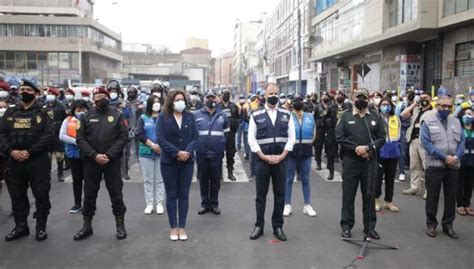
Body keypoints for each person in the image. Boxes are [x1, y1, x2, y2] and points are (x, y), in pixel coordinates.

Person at [0, 79, 54, 241]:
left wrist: (30, 152)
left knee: (41, 194)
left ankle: (40, 227)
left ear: (36, 94)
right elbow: (1, 134)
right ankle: (21, 226)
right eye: (22, 89)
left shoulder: (44, 114)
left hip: (37, 161)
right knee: (17, 195)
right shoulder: (10, 112)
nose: (24, 92)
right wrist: (11, 151)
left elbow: (49, 136)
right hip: (15, 161)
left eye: (28, 90)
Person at [74, 86, 129, 241]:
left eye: (103, 95)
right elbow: (80, 139)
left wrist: (109, 155)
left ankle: (120, 225)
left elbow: (123, 137)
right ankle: (87, 226)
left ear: (107, 97)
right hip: (92, 162)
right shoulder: (85, 116)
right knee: (90, 194)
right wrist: (94, 155)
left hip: (111, 162)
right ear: (93, 98)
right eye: (97, 95)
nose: (100, 97)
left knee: (116, 194)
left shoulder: (117, 115)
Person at [336, 88, 386, 240]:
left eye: (364, 98)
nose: (361, 100)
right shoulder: (345, 117)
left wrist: (368, 148)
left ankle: (369, 228)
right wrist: (355, 148)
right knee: (348, 196)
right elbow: (339, 137)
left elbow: (382, 137)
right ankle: (346, 226)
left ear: (368, 99)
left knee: (369, 196)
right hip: (351, 162)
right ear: (353, 98)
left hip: (369, 162)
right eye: (359, 97)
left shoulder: (375, 117)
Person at [248, 83, 295, 242]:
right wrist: (263, 156)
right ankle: (259, 225)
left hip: (281, 161)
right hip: (262, 161)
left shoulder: (286, 114)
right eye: (270, 93)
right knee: (260, 196)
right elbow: (251, 140)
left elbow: (292, 138)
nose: (273, 96)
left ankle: (278, 226)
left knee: (280, 195)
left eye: (276, 93)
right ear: (264, 96)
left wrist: (282, 156)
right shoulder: (256, 114)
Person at [420, 88, 464, 239]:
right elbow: (426, 143)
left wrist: (456, 158)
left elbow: (462, 142)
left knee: (451, 197)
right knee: (432, 197)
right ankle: (431, 224)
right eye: (443, 106)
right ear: (437, 106)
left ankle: (448, 224)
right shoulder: (428, 121)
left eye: (449, 107)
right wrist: (445, 157)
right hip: (434, 165)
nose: (446, 109)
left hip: (453, 166)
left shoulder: (457, 122)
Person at [157, 89, 199, 241]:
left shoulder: (190, 116)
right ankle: (173, 228)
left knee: (184, 195)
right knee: (171, 195)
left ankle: (182, 226)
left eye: (182, 99)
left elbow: (195, 137)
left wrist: (186, 152)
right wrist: (177, 153)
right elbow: (161, 139)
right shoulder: (163, 117)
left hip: (187, 161)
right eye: (176, 99)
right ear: (170, 101)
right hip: (169, 162)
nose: (180, 102)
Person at [195, 90, 229, 215]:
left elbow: (227, 134)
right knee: (203, 179)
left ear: (217, 99)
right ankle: (205, 204)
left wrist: (224, 147)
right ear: (204, 99)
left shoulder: (222, 115)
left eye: (213, 98)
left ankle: (214, 204)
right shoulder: (196, 115)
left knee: (215, 180)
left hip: (217, 153)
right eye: (208, 98)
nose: (211, 100)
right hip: (201, 153)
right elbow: (193, 134)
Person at [283, 95, 317, 217]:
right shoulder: (287, 117)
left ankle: (307, 205)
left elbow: (314, 134)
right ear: (292, 104)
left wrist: (306, 145)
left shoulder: (309, 116)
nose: (298, 103)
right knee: (288, 179)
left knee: (306, 179)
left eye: (300, 101)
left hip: (306, 152)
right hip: (291, 152)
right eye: (296, 101)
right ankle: (287, 204)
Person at [59, 99, 89, 214]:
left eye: (83, 109)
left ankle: (88, 204)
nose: (81, 111)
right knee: (77, 180)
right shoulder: (68, 120)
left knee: (89, 181)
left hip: (88, 154)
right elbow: (62, 136)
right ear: (74, 110)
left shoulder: (90, 120)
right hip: (74, 154)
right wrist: (77, 141)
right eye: (78, 109)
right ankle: (77, 203)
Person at [401, 91, 433, 198]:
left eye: (426, 97)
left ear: (430, 99)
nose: (423, 99)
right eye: (422, 97)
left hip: (426, 142)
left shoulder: (434, 111)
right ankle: (414, 187)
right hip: (413, 140)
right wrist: (414, 104)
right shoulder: (416, 109)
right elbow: (403, 115)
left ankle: (429, 191)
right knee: (414, 165)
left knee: (427, 166)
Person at [137, 95, 164, 215]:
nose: (156, 104)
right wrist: (153, 145)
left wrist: (161, 147)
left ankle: (159, 203)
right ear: (149, 104)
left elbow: (168, 133)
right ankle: (149, 203)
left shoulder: (164, 117)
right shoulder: (143, 118)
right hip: (146, 152)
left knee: (160, 180)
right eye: (154, 102)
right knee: (148, 180)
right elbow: (140, 134)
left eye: (158, 102)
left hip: (161, 152)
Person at [375, 98, 401, 212]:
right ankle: (376, 200)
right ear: (379, 106)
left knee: (390, 178)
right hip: (381, 149)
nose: (386, 106)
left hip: (393, 150)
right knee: (378, 177)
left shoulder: (395, 118)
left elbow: (399, 133)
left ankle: (388, 201)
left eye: (388, 104)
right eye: (383, 104)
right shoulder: (376, 118)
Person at [43, 87, 67, 182]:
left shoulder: (61, 107)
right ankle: (47, 174)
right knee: (47, 156)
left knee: (59, 156)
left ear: (56, 96)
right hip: (47, 135)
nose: (49, 95)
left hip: (57, 134)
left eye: (51, 94)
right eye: (48, 93)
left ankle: (60, 174)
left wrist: (57, 124)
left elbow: (65, 120)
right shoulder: (44, 107)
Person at [314, 92, 338, 179]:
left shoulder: (332, 106)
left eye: (326, 96)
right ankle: (318, 163)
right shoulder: (317, 106)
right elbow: (315, 117)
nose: (324, 97)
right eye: (323, 96)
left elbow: (335, 118)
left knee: (330, 151)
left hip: (330, 130)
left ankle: (331, 170)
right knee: (318, 147)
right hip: (320, 129)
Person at [218, 88, 240, 181]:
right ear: (221, 95)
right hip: (220, 134)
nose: (226, 95)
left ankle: (230, 172)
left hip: (230, 134)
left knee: (230, 154)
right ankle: (219, 174)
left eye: (228, 94)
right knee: (219, 154)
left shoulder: (234, 106)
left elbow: (238, 119)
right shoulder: (218, 107)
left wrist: (234, 127)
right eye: (224, 94)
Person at [457, 108, 474, 217]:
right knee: (460, 184)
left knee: (470, 184)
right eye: (466, 114)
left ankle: (467, 204)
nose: (468, 116)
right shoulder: (459, 129)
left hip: (472, 161)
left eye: (471, 114)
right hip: (461, 160)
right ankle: (460, 205)